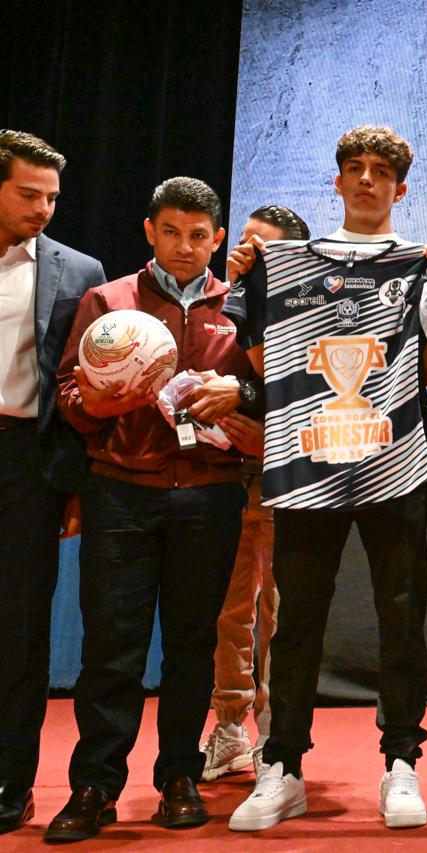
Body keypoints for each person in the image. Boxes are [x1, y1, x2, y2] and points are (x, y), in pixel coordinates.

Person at [226, 126, 427, 832]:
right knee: (297, 619)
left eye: (381, 171)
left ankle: (402, 763)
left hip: (397, 462)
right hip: (307, 465)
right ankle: (282, 766)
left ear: (400, 188)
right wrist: (250, 276)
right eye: (354, 168)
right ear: (336, 182)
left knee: (402, 618)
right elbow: (264, 366)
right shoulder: (280, 266)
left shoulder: (421, 265)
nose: (366, 179)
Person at [45, 177, 258, 842]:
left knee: (192, 646)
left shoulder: (239, 306)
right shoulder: (108, 301)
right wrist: (96, 403)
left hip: (210, 493)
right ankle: (94, 784)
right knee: (112, 647)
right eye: (171, 232)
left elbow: (263, 392)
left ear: (217, 238)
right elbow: (68, 391)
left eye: (197, 235)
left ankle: (179, 778)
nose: (184, 246)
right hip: (121, 490)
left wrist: (239, 398)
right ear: (149, 231)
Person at [0, 130, 105, 836]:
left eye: (52, 198)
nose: (42, 208)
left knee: (19, 628)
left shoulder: (80, 271)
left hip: (26, 465)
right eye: (27, 194)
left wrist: (75, 486)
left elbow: (81, 383)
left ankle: (10, 779)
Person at [198, 206, 309, 783]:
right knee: (230, 609)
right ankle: (228, 728)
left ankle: (276, 734)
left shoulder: (306, 311)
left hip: (288, 475)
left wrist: (251, 408)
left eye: (259, 248)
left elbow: (299, 389)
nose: (243, 253)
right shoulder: (215, 305)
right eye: (240, 242)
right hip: (226, 475)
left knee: (282, 609)